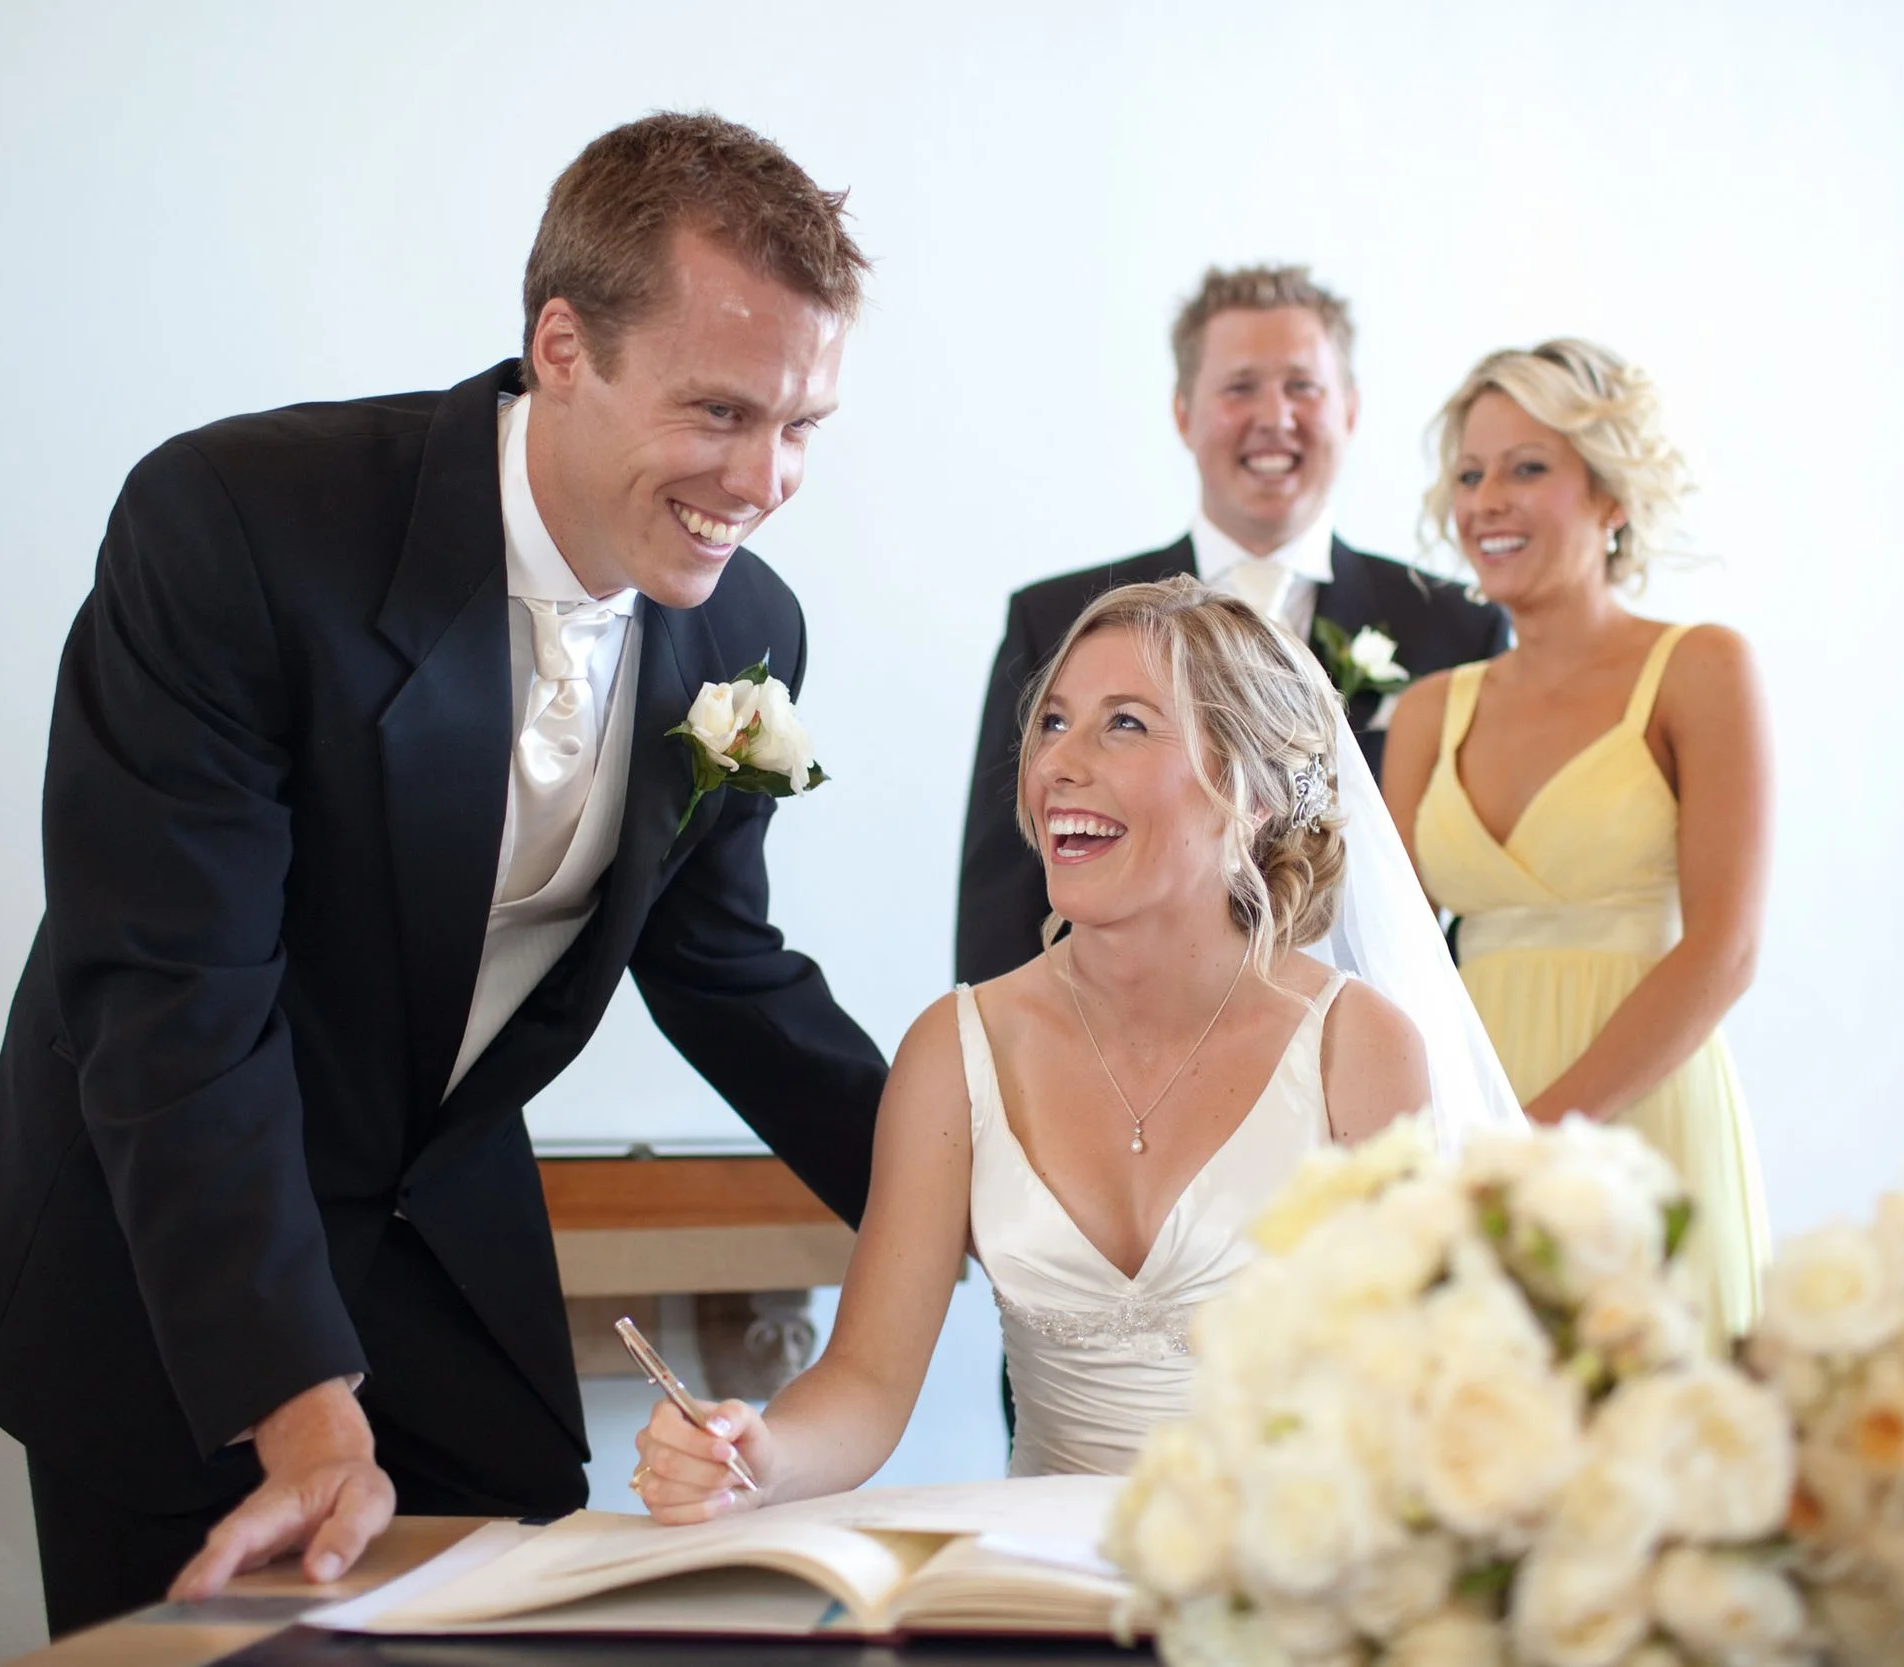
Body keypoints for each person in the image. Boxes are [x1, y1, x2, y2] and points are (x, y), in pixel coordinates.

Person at [0, 112, 890, 1635]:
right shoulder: (237, 525)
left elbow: (724, 970)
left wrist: (977, 1192)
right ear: (561, 346)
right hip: (173, 1259)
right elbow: (175, 995)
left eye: (803, 425)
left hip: (440, 1239)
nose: (765, 479)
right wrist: (298, 1405)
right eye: (720, 411)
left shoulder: (739, 622)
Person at [629, 577, 1520, 1518]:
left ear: (1251, 793)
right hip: (1036, 1598)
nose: (1059, 762)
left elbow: (1423, 1401)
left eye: (1125, 724)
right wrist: (756, 1453)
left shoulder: (1359, 1049)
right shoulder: (955, 1047)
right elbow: (864, 1385)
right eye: (1053, 722)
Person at [956, 265, 1507, 987]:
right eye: (1240, 386)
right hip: (1116, 1050)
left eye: (1302, 386)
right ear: (1183, 412)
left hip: (1375, 1049)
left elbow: (1480, 911)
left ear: (1350, 409)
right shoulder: (1057, 620)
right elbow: (1005, 892)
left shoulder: (1457, 627)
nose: (1274, 416)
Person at [1380, 339, 1770, 1338]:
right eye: (1468, 474)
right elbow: (1385, 955)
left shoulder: (1699, 668)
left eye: (1526, 467)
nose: (1485, 500)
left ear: (1610, 496)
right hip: (1470, 1119)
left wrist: (1541, 1132)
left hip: (1643, 1108)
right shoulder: (1429, 711)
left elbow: (1723, 951)